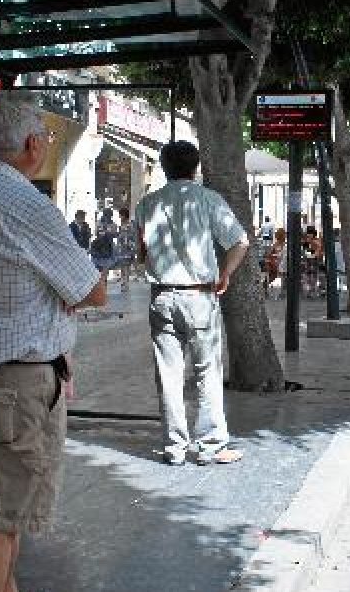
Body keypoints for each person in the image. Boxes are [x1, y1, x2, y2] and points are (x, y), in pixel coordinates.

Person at [0, 91, 106, 592]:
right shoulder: (26, 204)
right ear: (32, 143)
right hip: (17, 384)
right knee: (1, 514)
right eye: (47, 137)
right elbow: (91, 288)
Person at [133, 140, 249, 466]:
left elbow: (142, 253)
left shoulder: (147, 204)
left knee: (168, 375)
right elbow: (240, 241)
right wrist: (224, 273)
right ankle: (211, 445)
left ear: (164, 167)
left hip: (162, 296)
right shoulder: (209, 199)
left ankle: (174, 447)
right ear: (196, 167)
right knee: (207, 372)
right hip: (200, 294)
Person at [115, 206, 138, 293]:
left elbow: (133, 236)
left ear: (124, 215)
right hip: (121, 248)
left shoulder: (130, 224)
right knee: (122, 266)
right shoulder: (121, 224)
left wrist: (132, 247)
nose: (119, 216)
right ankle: (124, 281)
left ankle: (126, 283)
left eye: (120, 215)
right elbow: (119, 235)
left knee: (126, 266)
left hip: (128, 248)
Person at [91, 207, 119, 278]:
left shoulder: (112, 224)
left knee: (103, 269)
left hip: (106, 247)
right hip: (100, 247)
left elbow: (115, 234)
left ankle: (103, 282)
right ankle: (102, 282)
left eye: (109, 215)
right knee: (101, 269)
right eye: (107, 215)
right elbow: (97, 233)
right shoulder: (101, 223)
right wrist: (107, 232)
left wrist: (108, 233)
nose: (108, 217)